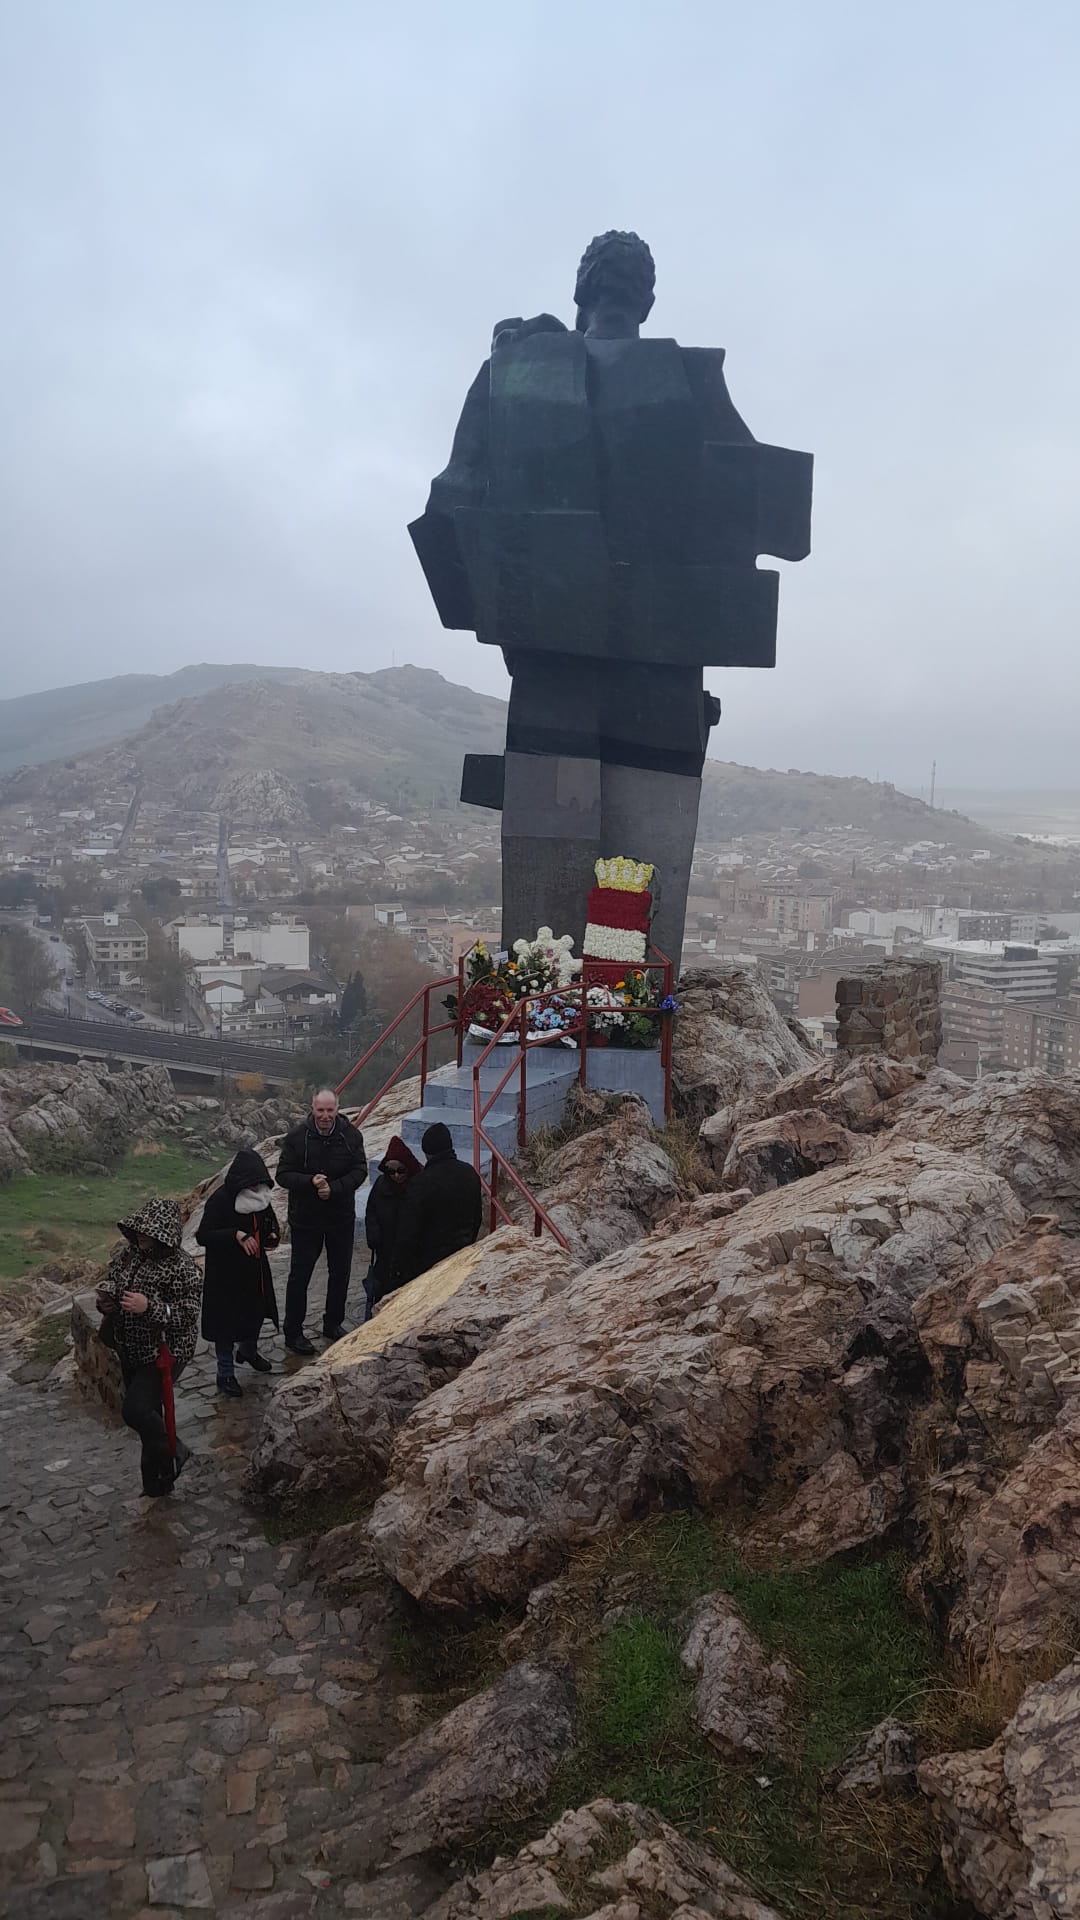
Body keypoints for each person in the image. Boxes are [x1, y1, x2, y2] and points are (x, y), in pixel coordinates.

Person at [95, 1197, 202, 1498]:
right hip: (129, 1348)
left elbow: (187, 1316)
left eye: (148, 1231)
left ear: (164, 1234)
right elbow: (115, 1284)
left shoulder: (184, 1268)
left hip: (163, 1354)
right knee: (149, 1419)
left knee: (137, 1411)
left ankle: (176, 1450)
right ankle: (156, 1484)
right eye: (139, 1229)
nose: (141, 1235)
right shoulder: (129, 1256)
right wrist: (107, 1303)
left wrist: (149, 1307)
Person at [276, 1087, 367, 1353]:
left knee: (340, 1273)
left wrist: (335, 1188)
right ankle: (293, 1333)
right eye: (320, 1110)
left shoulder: (351, 1136)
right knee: (299, 1277)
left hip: (340, 1216)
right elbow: (282, 1175)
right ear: (312, 1109)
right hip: (306, 1219)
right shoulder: (296, 1137)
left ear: (337, 1110)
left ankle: (333, 1323)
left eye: (330, 1110)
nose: (325, 1116)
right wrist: (309, 1182)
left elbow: (360, 1170)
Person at [196, 1148, 281, 1396]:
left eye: (259, 1183)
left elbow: (268, 1223)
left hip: (253, 1270)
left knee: (254, 1314)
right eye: (252, 1183)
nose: (256, 1188)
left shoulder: (261, 1198)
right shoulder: (221, 1200)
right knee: (225, 1327)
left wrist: (271, 1235)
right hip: (225, 1276)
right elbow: (203, 1236)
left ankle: (248, 1351)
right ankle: (225, 1374)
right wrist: (236, 1235)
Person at [391, 1121, 483, 1290]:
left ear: (427, 1153)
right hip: (461, 1257)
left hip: (428, 1266)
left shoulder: (420, 1183)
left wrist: (399, 1269)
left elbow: (408, 1232)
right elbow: (477, 1218)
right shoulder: (470, 1173)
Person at [363, 1134, 423, 1318]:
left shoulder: (418, 1186)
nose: (396, 1175)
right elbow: (371, 1211)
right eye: (391, 1171)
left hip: (410, 1250)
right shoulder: (381, 1186)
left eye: (401, 1171)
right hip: (385, 1246)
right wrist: (373, 1234)